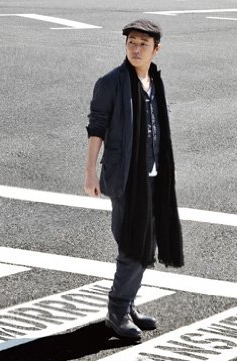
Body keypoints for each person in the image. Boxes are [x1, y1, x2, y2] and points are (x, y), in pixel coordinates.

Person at [84, 19, 184, 342]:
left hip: (153, 178)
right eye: (131, 43)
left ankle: (127, 304)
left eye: (143, 44)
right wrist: (90, 172)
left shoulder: (154, 82)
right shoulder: (110, 83)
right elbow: (96, 128)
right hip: (127, 180)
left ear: (156, 49)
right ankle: (117, 312)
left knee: (146, 246)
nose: (136, 49)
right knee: (132, 246)